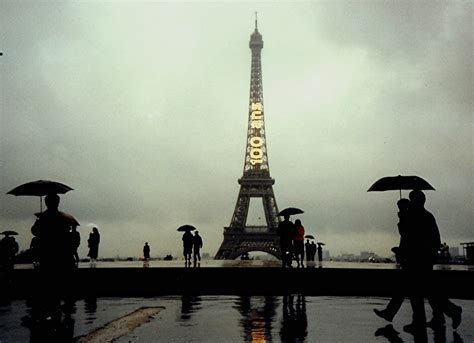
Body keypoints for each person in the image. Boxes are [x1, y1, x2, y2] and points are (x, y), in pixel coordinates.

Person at [402, 190, 462, 332]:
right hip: (425, 259)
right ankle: (440, 316)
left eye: (411, 199)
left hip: (418, 259)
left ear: (415, 201)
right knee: (428, 290)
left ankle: (445, 313)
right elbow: (435, 239)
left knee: (418, 291)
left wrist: (402, 217)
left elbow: (406, 235)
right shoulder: (427, 216)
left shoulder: (415, 217)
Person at [31, 194, 75, 270]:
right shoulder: (63, 217)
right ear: (58, 202)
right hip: (62, 253)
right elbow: (67, 233)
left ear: (46, 203)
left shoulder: (43, 217)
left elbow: (34, 231)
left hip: (46, 253)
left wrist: (38, 221)